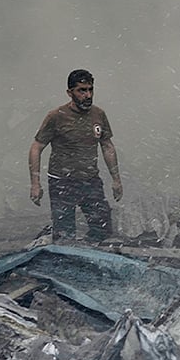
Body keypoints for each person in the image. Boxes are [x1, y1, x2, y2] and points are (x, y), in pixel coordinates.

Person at [28, 69, 123, 242]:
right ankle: (64, 257)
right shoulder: (57, 116)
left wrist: (116, 179)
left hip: (90, 180)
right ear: (70, 92)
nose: (88, 95)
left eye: (90, 89)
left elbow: (107, 146)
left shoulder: (98, 114)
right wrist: (35, 183)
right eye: (82, 90)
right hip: (62, 182)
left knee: (102, 228)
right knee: (65, 234)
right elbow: (36, 147)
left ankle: (91, 257)